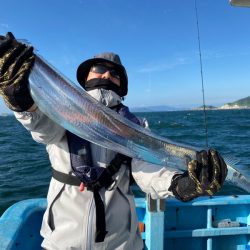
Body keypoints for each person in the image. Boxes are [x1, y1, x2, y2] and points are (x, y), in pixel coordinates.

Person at [0, 32, 227, 250]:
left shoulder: (136, 125)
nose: (107, 75)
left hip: (122, 244)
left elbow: (146, 168)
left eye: (114, 73)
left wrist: (180, 185)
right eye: (99, 69)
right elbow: (42, 129)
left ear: (122, 85)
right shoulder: (61, 109)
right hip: (61, 242)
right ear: (86, 77)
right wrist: (22, 103)